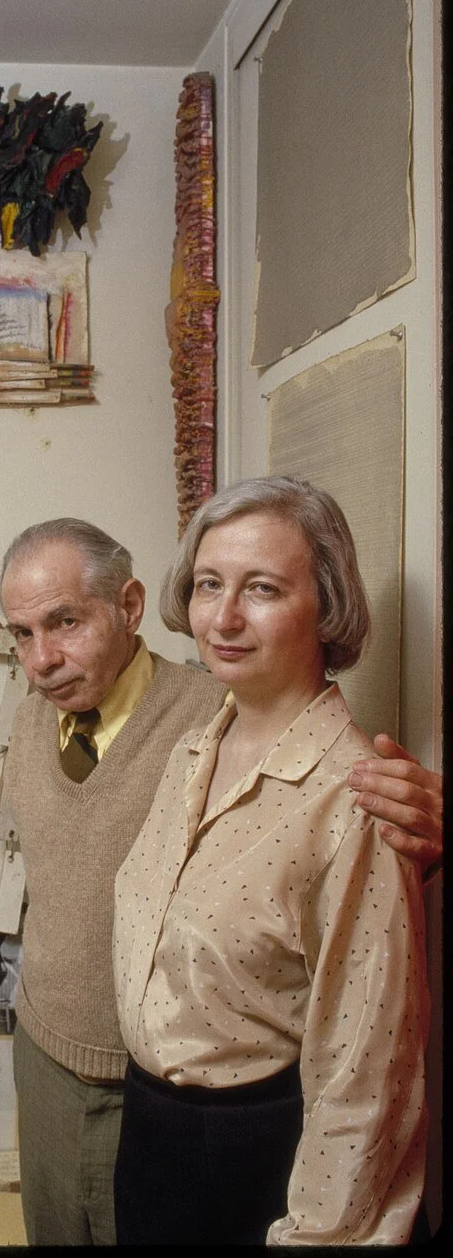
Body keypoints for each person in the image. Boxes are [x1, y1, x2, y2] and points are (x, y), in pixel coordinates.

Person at [0, 516, 441, 1247]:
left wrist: (424, 838)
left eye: (66, 622)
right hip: (52, 1057)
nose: (42, 659)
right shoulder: (169, 744)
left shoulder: (211, 710)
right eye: (21, 634)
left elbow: (362, 1056)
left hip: (190, 1107)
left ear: (131, 607)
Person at [112, 477, 428, 1243]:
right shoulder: (193, 750)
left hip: (256, 1161)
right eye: (210, 585)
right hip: (151, 1135)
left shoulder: (355, 799)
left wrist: (317, 1233)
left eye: (261, 589)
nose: (222, 617)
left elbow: (366, 1075)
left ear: (328, 606)